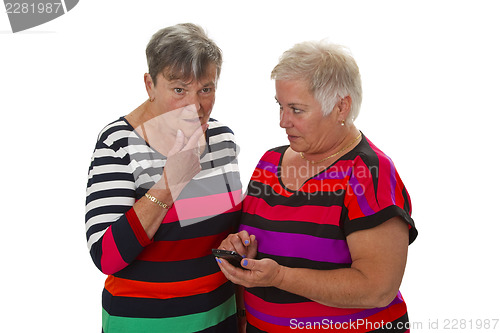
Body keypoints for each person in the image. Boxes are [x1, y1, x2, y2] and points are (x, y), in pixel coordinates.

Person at [216, 41, 418, 332]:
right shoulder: (269, 162)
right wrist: (240, 247)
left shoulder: (367, 172)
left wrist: (280, 277)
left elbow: (377, 288)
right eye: (280, 106)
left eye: (297, 110)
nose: (283, 122)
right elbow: (255, 240)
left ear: (340, 107)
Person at [85, 23, 242, 333]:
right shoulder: (118, 142)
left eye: (206, 89)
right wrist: (170, 184)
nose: (195, 105)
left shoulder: (222, 138)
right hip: (141, 324)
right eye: (179, 89)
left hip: (218, 319)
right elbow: (106, 256)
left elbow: (222, 237)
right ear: (149, 85)